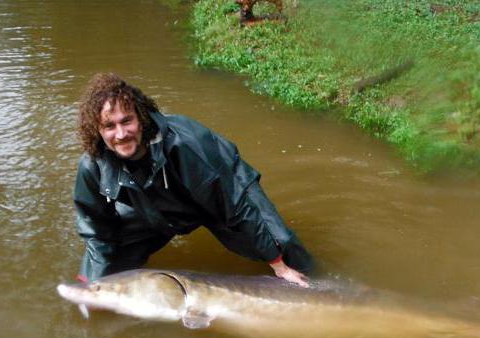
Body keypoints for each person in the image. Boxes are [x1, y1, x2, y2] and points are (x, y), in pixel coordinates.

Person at [73, 72, 312, 287]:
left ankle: (317, 287)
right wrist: (92, 284)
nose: (121, 134)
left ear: (141, 118)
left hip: (224, 186)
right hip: (160, 207)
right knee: (109, 266)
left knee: (282, 243)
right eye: (109, 126)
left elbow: (236, 206)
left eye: (127, 121)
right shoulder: (92, 166)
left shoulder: (185, 145)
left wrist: (278, 264)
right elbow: (96, 229)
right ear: (97, 130)